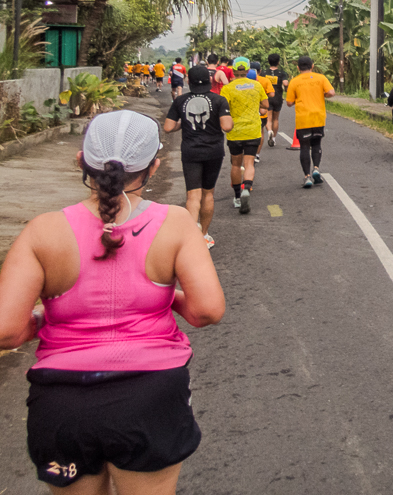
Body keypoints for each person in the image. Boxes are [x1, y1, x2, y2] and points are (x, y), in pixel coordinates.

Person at [0, 110, 225, 493]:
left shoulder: (43, 231)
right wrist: (165, 297)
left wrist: (42, 317)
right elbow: (207, 310)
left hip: (62, 402)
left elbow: (7, 331)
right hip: (149, 396)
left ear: (80, 160)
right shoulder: (175, 224)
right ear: (153, 167)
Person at [164, 65, 232, 249]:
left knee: (193, 195)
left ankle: (191, 237)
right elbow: (226, 126)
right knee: (208, 193)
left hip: (190, 152)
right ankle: (204, 235)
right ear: (210, 80)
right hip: (213, 152)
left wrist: (184, 124)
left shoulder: (180, 101)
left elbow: (168, 127)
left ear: (188, 81)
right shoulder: (219, 100)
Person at [220, 57, 268, 214]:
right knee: (249, 163)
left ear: (233, 70)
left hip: (235, 132)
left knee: (235, 164)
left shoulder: (227, 88)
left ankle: (237, 197)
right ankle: (247, 187)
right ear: (248, 70)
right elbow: (266, 105)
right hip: (253, 130)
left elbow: (223, 107)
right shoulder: (256, 85)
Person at [286, 55, 334, 188]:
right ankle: (316, 169)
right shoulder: (321, 78)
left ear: (298, 68)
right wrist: (322, 95)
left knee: (305, 147)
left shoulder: (294, 81)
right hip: (318, 117)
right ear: (312, 66)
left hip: (303, 119)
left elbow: (289, 102)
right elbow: (331, 92)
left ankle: (307, 176)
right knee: (317, 143)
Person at [261, 53, 290, 148]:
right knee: (275, 119)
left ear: (268, 61)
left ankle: (269, 131)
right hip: (277, 97)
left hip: (266, 97)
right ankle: (273, 138)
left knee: (268, 118)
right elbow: (285, 83)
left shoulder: (264, 73)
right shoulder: (282, 73)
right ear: (278, 62)